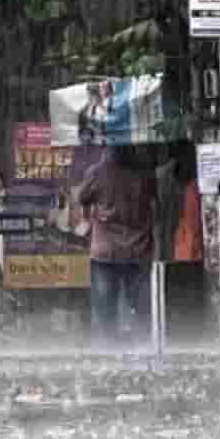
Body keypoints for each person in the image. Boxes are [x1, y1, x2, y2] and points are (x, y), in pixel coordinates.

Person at [76, 145, 156, 351]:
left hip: (106, 252)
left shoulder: (97, 172)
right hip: (138, 250)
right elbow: (156, 207)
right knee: (141, 309)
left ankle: (108, 354)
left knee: (105, 310)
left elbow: (82, 197)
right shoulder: (145, 174)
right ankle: (143, 352)